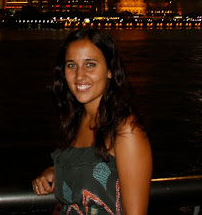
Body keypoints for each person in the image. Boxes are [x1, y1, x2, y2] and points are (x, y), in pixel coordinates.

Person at [32, 28, 152, 215]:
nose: (79, 76)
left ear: (110, 71)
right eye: (71, 65)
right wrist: (56, 170)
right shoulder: (75, 122)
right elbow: (84, 168)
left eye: (90, 64)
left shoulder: (125, 130)